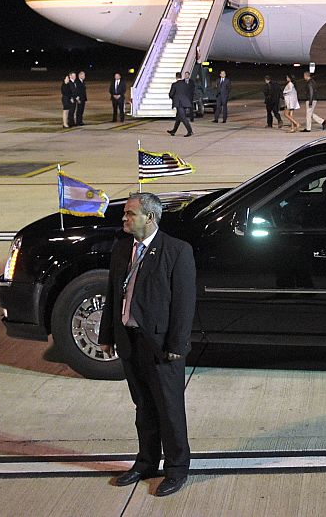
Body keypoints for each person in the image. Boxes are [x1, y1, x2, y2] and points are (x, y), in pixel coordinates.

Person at [98, 193, 196, 497]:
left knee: (169, 409)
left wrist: (176, 344)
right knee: (144, 407)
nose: (124, 218)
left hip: (161, 345)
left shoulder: (176, 251)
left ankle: (177, 469)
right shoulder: (123, 248)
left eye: (130, 214)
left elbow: (184, 302)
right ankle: (146, 462)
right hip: (130, 342)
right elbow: (114, 294)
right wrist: (107, 336)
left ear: (149, 218)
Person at [167, 71, 193, 137]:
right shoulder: (185, 84)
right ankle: (173, 131)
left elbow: (171, 94)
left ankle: (190, 131)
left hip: (179, 103)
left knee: (183, 118)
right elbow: (188, 92)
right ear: (181, 77)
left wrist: (173, 98)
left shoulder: (174, 84)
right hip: (185, 102)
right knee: (178, 118)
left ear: (176, 77)